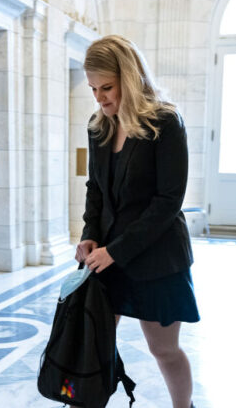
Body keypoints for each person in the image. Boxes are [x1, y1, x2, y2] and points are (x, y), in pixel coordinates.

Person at [77, 34, 199, 408]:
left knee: (163, 350)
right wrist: (89, 237)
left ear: (129, 77)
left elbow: (168, 202)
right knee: (94, 346)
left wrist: (117, 250)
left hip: (157, 259)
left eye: (107, 87)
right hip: (108, 257)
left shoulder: (165, 121)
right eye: (94, 89)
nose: (100, 98)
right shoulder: (99, 126)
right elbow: (95, 189)